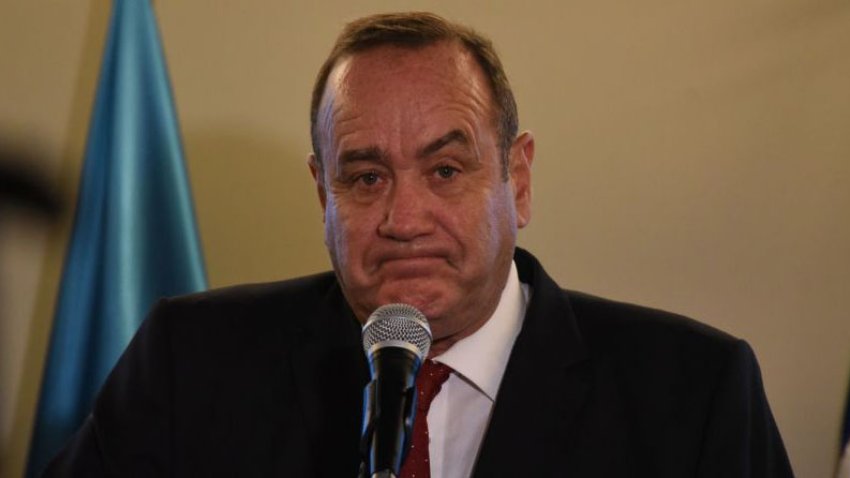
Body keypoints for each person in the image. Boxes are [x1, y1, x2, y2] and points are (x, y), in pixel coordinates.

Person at [43, 12, 793, 477]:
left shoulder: (694, 394)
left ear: (517, 180)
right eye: (365, 178)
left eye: (445, 169)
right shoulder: (189, 363)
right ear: (322, 194)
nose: (404, 217)